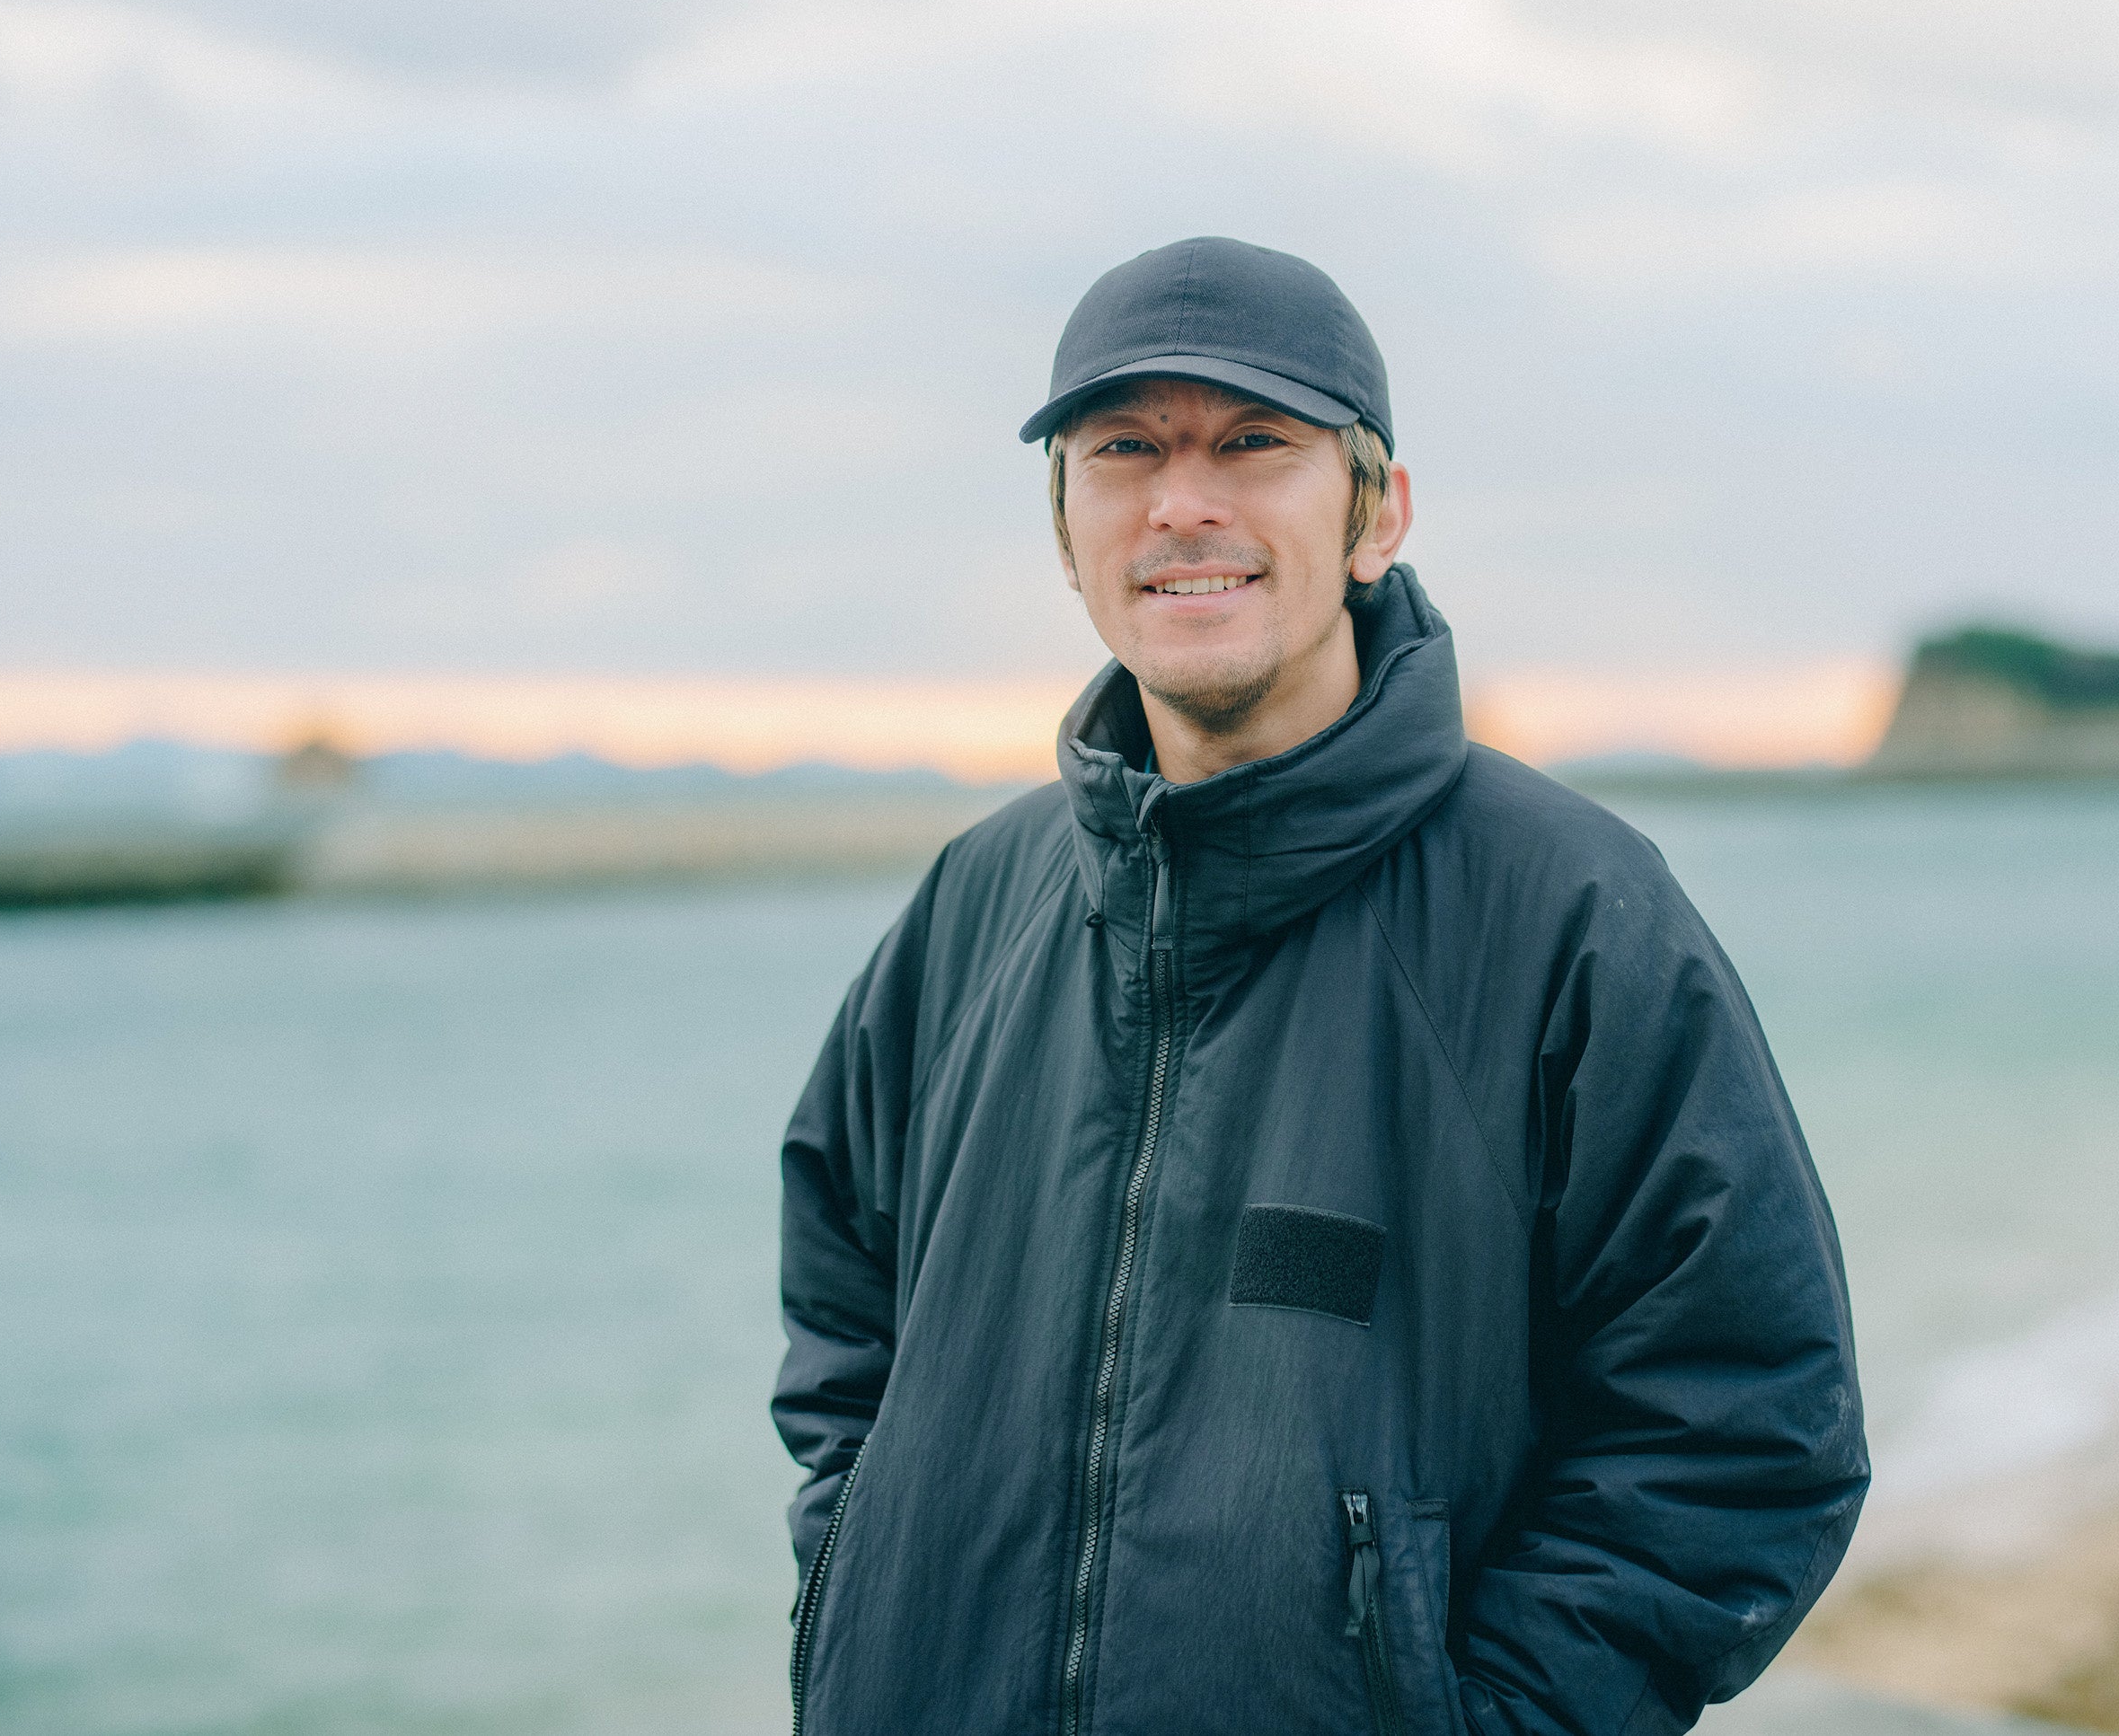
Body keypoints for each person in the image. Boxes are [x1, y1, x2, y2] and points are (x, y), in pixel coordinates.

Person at [773, 237, 1868, 1736]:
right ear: (1066, 530)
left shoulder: (1574, 911)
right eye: (1124, 449)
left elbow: (1745, 1424)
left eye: (1254, 443)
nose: (1182, 502)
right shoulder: (977, 899)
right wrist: (865, 1581)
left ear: (1376, 513)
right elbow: (842, 1319)